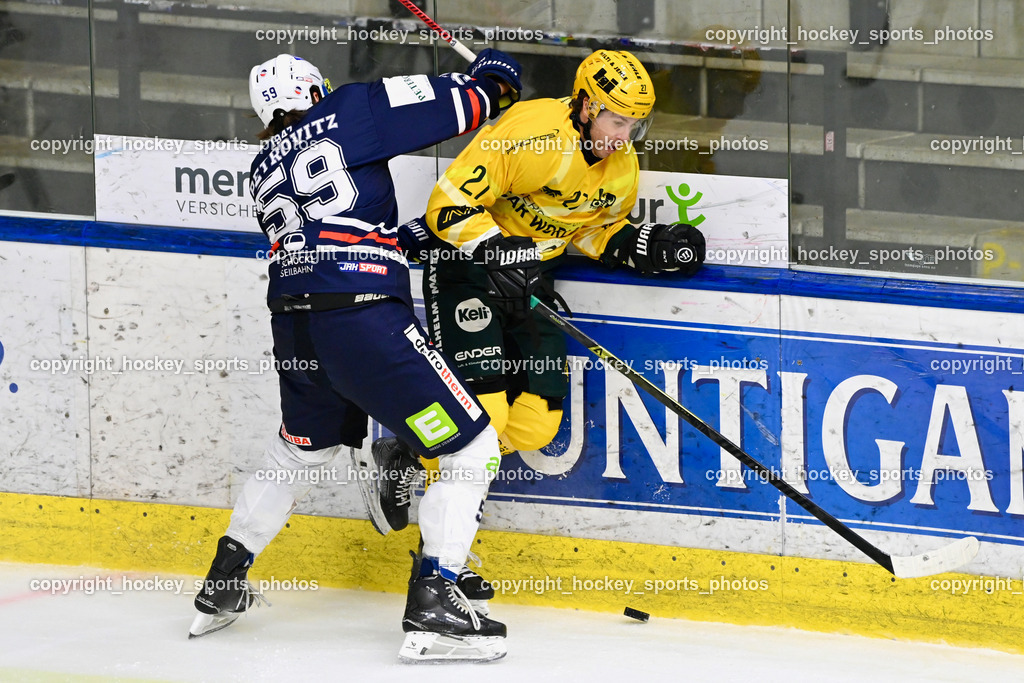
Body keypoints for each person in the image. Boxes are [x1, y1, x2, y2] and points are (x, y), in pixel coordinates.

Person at [188, 50, 523, 663]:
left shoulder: (264, 163)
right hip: (360, 314)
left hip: (295, 321)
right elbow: (463, 104)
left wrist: (404, 239)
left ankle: (223, 579)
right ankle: (437, 601)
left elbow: (328, 225)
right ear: (316, 87)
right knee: (470, 445)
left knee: (299, 446)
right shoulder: (348, 108)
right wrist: (494, 78)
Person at [366, 50, 707, 611]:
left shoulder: (620, 166)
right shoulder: (528, 133)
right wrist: (495, 247)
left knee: (534, 425)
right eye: (617, 121)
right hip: (467, 269)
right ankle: (438, 563)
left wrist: (640, 246)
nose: (625, 136)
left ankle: (409, 452)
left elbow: (593, 230)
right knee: (485, 418)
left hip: (528, 280)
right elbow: (447, 204)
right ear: (587, 105)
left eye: (635, 125)